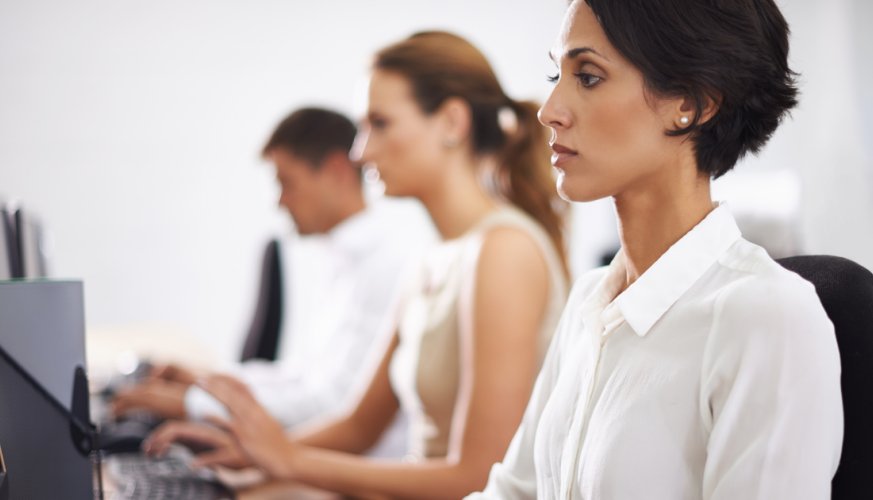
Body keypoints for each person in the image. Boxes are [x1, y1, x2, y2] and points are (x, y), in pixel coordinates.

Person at [143, 31, 571, 499]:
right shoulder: (432, 257)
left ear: (451, 121)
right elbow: (358, 425)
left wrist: (289, 460)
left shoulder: (504, 252)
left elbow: (477, 477)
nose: (359, 151)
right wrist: (251, 451)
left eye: (380, 124)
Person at [465, 1, 844, 499]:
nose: (548, 110)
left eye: (589, 76)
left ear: (691, 103)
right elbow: (514, 492)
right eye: (556, 73)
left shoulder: (767, 317)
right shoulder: (589, 303)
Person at [112, 107, 435, 436]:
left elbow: (333, 404)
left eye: (286, 182)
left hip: (351, 472)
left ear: (337, 169)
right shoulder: (340, 259)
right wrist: (206, 381)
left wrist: (194, 404)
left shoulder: (385, 268)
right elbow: (304, 376)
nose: (279, 201)